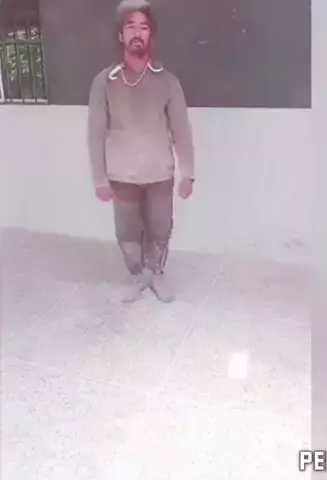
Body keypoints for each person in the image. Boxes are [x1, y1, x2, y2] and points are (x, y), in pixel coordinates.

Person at [87, 0, 195, 303]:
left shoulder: (168, 82)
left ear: (151, 35)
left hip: (160, 174)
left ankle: (156, 274)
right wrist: (99, 179)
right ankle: (138, 277)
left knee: (161, 229)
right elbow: (95, 134)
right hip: (121, 176)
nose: (137, 33)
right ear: (120, 35)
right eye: (130, 26)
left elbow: (182, 131)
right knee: (127, 234)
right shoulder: (103, 83)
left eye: (143, 27)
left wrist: (188, 173)